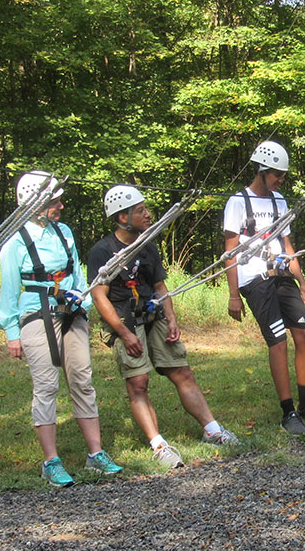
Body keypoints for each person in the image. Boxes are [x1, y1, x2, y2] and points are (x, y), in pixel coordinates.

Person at [87, 185, 240, 469]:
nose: (147, 215)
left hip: (153, 316)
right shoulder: (102, 251)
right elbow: (99, 296)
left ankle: (213, 430)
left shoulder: (147, 245)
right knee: (138, 383)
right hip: (125, 322)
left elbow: (159, 285)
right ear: (123, 218)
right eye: (140, 210)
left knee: (182, 371)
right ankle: (159, 445)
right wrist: (124, 333)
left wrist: (171, 317)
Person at [0, 170, 122, 487]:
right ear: (35, 203)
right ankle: (50, 461)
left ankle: (95, 453)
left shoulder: (63, 232)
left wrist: (84, 305)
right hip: (36, 316)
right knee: (47, 385)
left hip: (72, 313)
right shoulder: (15, 242)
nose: (61, 206)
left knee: (82, 378)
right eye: (55, 201)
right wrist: (12, 332)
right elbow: (9, 290)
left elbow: (77, 275)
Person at [224, 141, 305, 435]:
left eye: (281, 175)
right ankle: (288, 413)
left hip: (283, 274)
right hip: (254, 281)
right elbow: (230, 252)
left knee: (303, 333)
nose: (280, 180)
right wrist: (233, 294)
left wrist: (302, 283)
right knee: (277, 341)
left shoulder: (279, 201)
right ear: (261, 171)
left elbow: (287, 246)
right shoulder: (238, 201)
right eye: (276, 174)